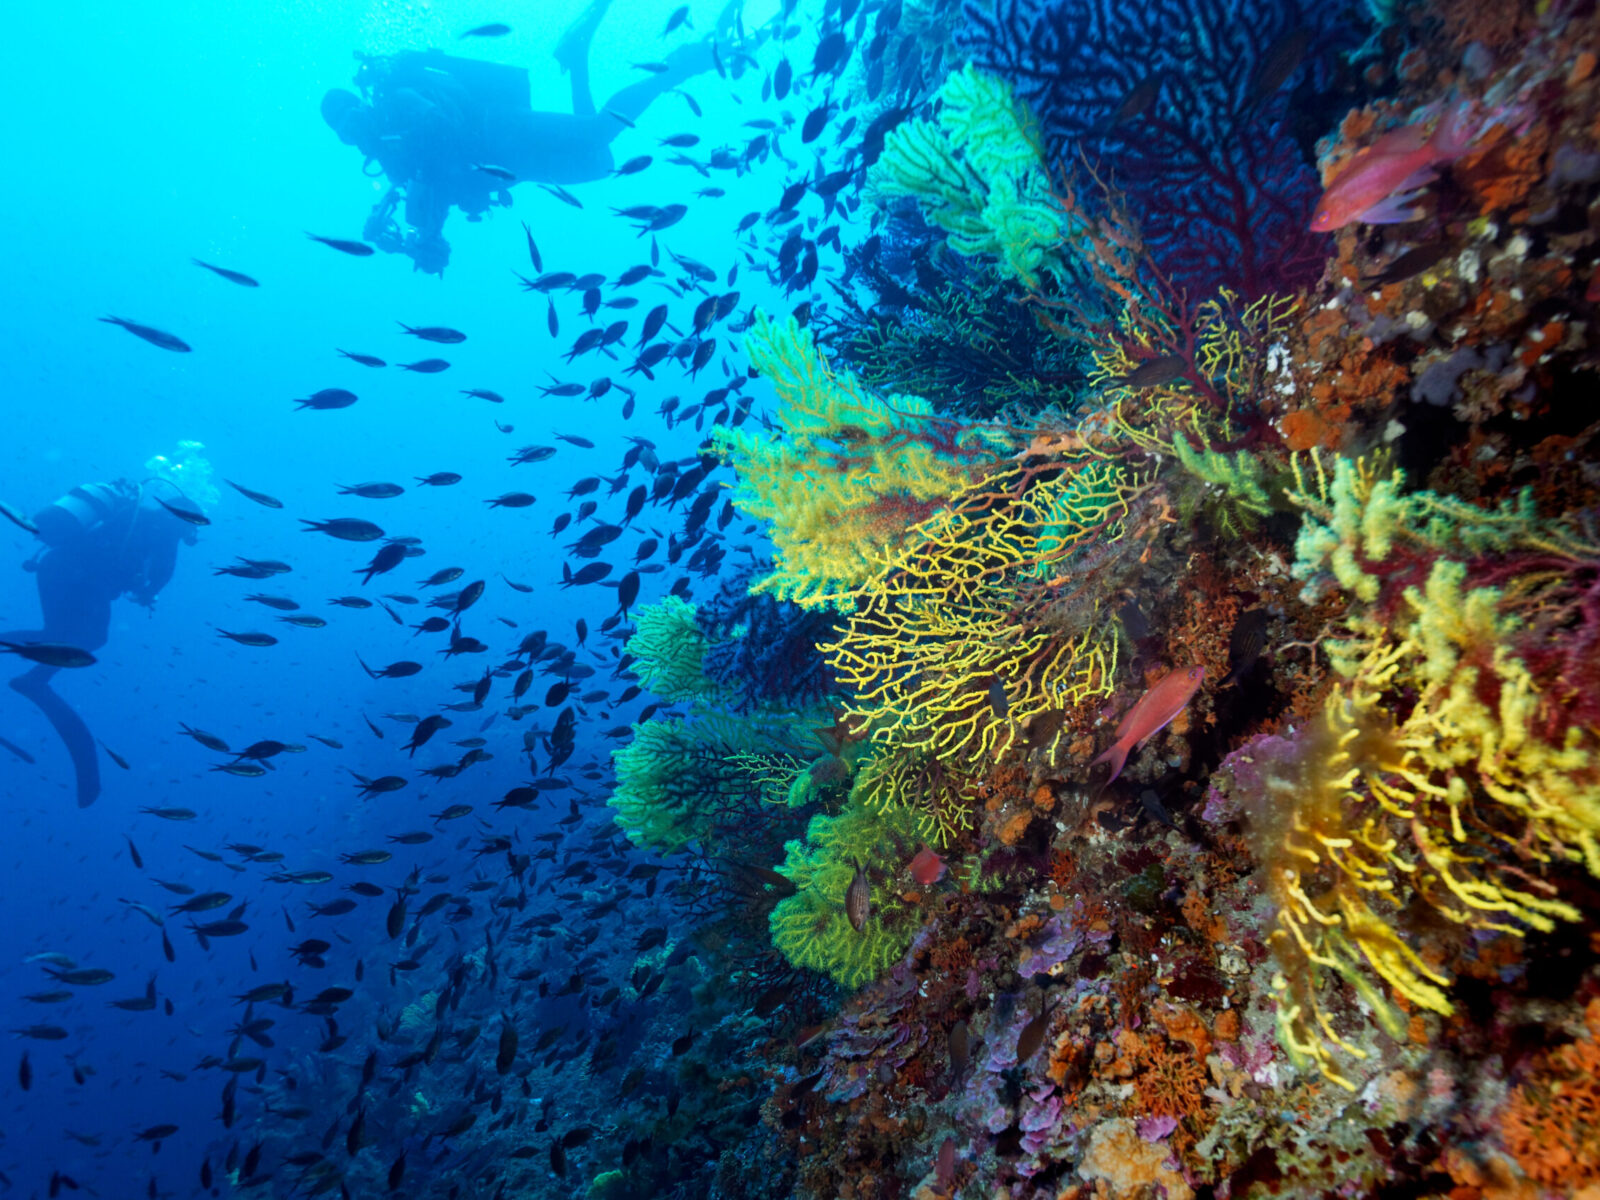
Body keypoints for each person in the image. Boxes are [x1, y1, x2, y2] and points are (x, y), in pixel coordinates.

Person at [320, 0, 759, 275]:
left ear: (362, 105)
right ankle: (576, 53)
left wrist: (417, 189)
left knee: (598, 131)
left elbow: (440, 128)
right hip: (505, 168)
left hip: (499, 128)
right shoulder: (394, 164)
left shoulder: (397, 101)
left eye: (351, 117)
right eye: (343, 131)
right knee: (599, 161)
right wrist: (414, 243)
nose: (352, 131)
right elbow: (440, 216)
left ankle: (682, 62)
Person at [2, 443, 214, 807]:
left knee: (73, 638)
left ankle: (34, 679)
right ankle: (34, 680)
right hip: (81, 578)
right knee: (84, 639)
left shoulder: (144, 515)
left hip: (58, 569)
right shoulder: (169, 529)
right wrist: (147, 593)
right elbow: (161, 576)